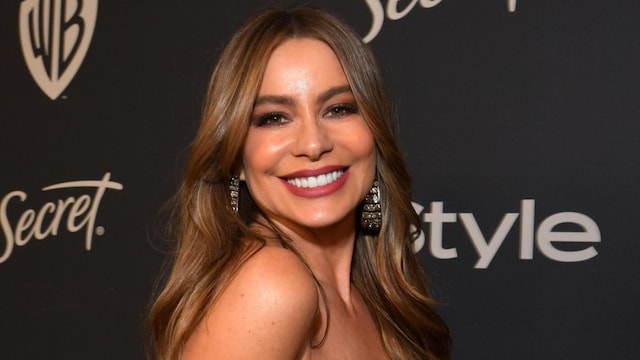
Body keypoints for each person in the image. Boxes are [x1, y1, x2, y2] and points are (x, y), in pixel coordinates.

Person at [147, 6, 450, 360]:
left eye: (339, 109)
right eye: (274, 118)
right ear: (235, 158)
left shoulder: (371, 296)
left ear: (375, 133)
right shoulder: (273, 285)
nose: (313, 144)